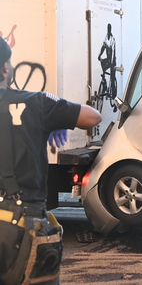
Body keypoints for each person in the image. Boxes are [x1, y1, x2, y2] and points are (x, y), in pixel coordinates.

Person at [0, 37, 101, 284]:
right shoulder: (34, 102)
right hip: (22, 220)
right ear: (5, 68)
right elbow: (92, 117)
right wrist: (53, 116)